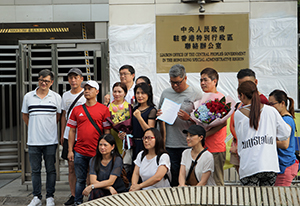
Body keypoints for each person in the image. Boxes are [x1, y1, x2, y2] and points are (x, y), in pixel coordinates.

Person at [234, 81, 291, 186]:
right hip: (270, 165)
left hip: (249, 166)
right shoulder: (271, 111)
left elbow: (241, 138)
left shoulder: (238, 114)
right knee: (267, 200)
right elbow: (285, 133)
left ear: (242, 96)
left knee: (250, 201)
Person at [67, 80, 111, 205]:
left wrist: (105, 151)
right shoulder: (77, 110)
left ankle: (95, 202)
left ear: (97, 91)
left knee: (96, 179)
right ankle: (78, 202)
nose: (86, 91)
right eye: (85, 88)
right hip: (79, 151)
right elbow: (71, 131)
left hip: (96, 152)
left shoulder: (103, 109)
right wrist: (70, 150)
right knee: (80, 179)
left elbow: (107, 132)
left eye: (90, 88)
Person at [158, 64, 202, 186]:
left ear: (185, 78)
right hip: (170, 144)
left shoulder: (196, 94)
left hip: (189, 144)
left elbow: (202, 122)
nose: (175, 86)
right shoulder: (166, 93)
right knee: (174, 177)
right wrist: (160, 115)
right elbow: (159, 118)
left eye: (178, 82)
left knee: (190, 177)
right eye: (172, 82)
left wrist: (189, 118)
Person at [22, 69, 61, 206]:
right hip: (33, 141)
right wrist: (34, 126)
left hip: (50, 140)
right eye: (41, 80)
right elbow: (25, 116)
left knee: (51, 169)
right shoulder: (28, 96)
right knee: (35, 170)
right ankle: (37, 197)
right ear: (38, 80)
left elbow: (58, 116)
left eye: (46, 81)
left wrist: (47, 127)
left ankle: (50, 196)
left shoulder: (56, 97)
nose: (43, 83)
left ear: (51, 82)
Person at [230, 68, 269, 173]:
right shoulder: (242, 102)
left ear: (256, 82)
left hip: (254, 150)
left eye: (247, 84)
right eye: (241, 85)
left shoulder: (263, 102)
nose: (244, 88)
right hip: (241, 146)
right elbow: (234, 124)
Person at [60, 68, 86, 206]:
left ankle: (88, 194)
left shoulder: (86, 94)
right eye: (71, 77)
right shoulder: (65, 95)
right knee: (71, 167)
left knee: (87, 167)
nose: (73, 80)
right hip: (68, 135)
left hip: (83, 136)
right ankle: (74, 195)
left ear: (81, 79)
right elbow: (64, 116)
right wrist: (62, 133)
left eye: (76, 77)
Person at [119, 83, 157, 171]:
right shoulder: (133, 109)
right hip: (133, 144)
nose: (140, 96)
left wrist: (139, 117)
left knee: (144, 169)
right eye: (137, 93)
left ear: (148, 94)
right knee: (132, 169)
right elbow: (130, 127)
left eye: (143, 93)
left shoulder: (152, 110)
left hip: (145, 144)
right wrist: (124, 134)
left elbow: (150, 131)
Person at [199, 67, 227, 186]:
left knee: (217, 182)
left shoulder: (220, 99)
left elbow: (223, 123)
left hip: (215, 147)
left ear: (214, 81)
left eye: (205, 80)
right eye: (201, 80)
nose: (202, 83)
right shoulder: (202, 98)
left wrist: (204, 134)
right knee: (203, 181)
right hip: (202, 147)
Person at [82, 134, 127, 200]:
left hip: (116, 191)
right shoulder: (94, 160)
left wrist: (91, 186)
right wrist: (109, 188)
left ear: (112, 147)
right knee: (95, 191)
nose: (102, 147)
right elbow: (93, 181)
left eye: (105, 145)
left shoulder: (117, 160)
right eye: (100, 145)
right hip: (104, 189)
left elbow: (111, 181)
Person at [269, 90, 299, 186]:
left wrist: (268, 141)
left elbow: (285, 144)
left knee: (281, 197)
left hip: (285, 165)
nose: (270, 107)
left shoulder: (286, 120)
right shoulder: (284, 119)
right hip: (284, 165)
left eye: (272, 104)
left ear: (282, 103)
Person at [108, 82, 130, 154]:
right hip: (112, 136)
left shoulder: (129, 107)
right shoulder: (108, 106)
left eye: (119, 92)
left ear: (125, 93)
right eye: (115, 91)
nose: (117, 94)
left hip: (125, 138)